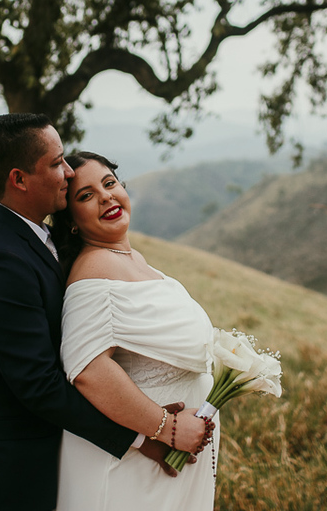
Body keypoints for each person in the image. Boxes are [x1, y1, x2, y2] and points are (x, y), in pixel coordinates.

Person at [0, 114, 208, 511]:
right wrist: (147, 435)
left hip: (38, 455)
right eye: (57, 162)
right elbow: (39, 384)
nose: (69, 171)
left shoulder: (33, 237)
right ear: (19, 179)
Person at [51, 151, 220, 511]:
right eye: (86, 195)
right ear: (72, 221)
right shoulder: (93, 272)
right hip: (134, 469)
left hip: (172, 459)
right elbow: (88, 370)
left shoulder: (133, 260)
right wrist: (166, 428)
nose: (106, 197)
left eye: (109, 183)